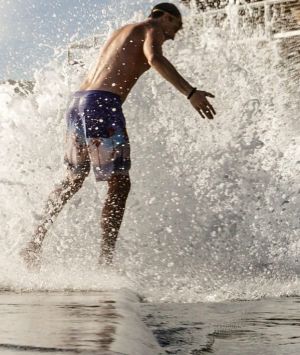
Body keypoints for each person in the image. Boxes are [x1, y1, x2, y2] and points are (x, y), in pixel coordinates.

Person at [20, 2, 216, 269]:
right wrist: (191, 93)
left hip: (78, 104)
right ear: (165, 18)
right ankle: (105, 262)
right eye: (175, 27)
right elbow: (154, 58)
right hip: (102, 104)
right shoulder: (150, 28)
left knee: (74, 179)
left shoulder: (123, 30)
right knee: (120, 184)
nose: (173, 35)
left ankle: (33, 244)